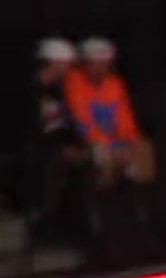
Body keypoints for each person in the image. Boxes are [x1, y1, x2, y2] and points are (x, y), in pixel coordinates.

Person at [64, 38, 154, 184]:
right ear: (85, 64)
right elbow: (81, 120)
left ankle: (136, 188)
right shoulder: (74, 81)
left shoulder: (115, 84)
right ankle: (101, 187)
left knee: (143, 149)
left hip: (112, 140)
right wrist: (110, 146)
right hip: (84, 140)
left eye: (104, 63)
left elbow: (125, 118)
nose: (100, 68)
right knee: (103, 154)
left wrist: (130, 141)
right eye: (95, 63)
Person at [31, 38, 88, 240]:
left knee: (87, 159)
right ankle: (44, 223)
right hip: (37, 148)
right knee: (54, 162)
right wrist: (63, 148)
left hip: (58, 144)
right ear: (52, 63)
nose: (69, 69)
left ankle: (80, 224)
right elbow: (37, 130)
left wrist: (77, 145)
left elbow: (66, 124)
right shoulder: (33, 90)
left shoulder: (59, 90)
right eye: (65, 64)